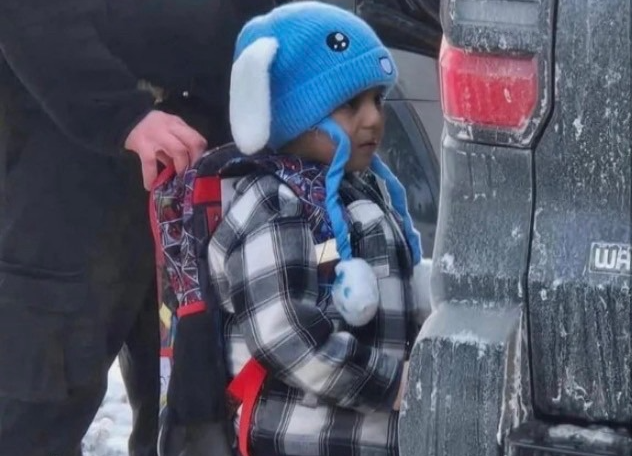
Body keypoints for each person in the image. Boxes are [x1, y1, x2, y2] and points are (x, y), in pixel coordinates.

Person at [0, 1, 273, 455]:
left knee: (194, 421)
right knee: (35, 414)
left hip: (210, 171)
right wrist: (121, 113)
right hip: (67, 178)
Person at [208, 3, 422, 455]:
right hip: (302, 440)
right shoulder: (273, 202)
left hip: (366, 439)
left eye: (378, 100)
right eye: (349, 104)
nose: (373, 118)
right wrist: (395, 386)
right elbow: (285, 337)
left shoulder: (363, 189)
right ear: (295, 113)